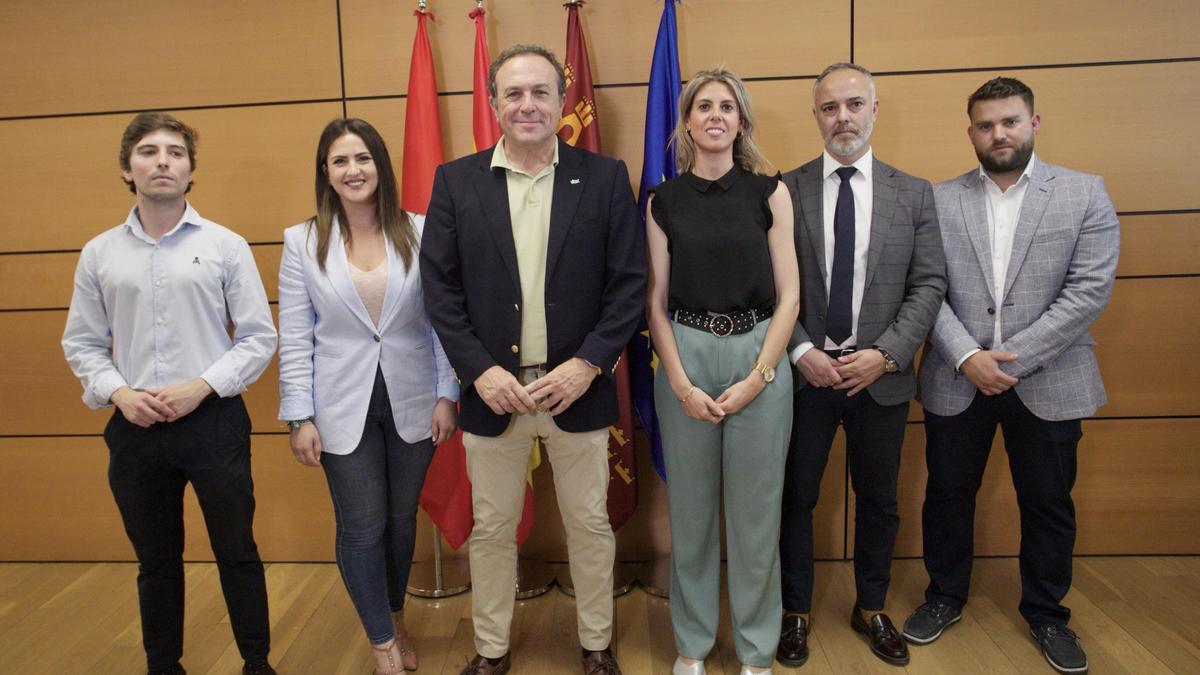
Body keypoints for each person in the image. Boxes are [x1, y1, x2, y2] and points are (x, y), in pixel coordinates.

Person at [420, 44, 646, 675]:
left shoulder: (603, 178)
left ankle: (596, 645)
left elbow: (628, 284)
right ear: (493, 103)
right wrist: (478, 370)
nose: (527, 105)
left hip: (579, 389)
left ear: (561, 102)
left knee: (590, 526)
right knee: (491, 531)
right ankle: (491, 652)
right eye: (513, 93)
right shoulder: (455, 181)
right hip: (493, 393)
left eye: (540, 92)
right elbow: (439, 288)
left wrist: (589, 364)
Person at [903, 77, 1119, 675]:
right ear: (970, 130)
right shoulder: (938, 200)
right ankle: (944, 595)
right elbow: (925, 288)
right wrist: (967, 356)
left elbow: (1088, 291)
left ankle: (1048, 613)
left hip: (1050, 380)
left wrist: (1011, 360)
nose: (998, 133)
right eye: (985, 124)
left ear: (1033, 123)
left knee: (1048, 502)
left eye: (1010, 121)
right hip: (956, 376)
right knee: (947, 496)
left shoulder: (1083, 192)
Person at [61, 112, 277, 675]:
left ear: (190, 169)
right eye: (149, 151)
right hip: (134, 428)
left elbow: (258, 337)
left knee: (237, 551)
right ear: (127, 169)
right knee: (156, 561)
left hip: (214, 422)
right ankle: (164, 665)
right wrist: (119, 394)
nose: (163, 161)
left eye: (176, 153)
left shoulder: (226, 245)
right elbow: (82, 343)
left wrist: (201, 387)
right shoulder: (99, 253)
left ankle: (257, 663)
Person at [776, 63, 946, 668]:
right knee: (795, 496)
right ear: (815, 115)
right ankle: (794, 611)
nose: (842, 117)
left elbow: (928, 285)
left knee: (879, 500)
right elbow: (768, 286)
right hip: (805, 378)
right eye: (829, 107)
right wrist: (801, 352)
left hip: (883, 378)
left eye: (853, 104)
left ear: (874, 109)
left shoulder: (915, 192)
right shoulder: (783, 189)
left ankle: (871, 605)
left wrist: (887, 353)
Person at [277, 117, 459, 675]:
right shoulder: (302, 241)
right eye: (340, 161)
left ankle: (395, 612)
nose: (353, 170)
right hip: (338, 405)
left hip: (413, 398)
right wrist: (298, 415)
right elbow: (296, 335)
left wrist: (448, 393)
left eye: (363, 158)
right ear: (325, 174)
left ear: (381, 167)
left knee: (401, 520)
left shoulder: (422, 230)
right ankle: (381, 641)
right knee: (361, 522)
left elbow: (442, 321)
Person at [645, 67, 799, 675]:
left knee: (757, 518)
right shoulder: (663, 200)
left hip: (758, 356)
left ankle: (758, 652)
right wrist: (680, 383)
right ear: (686, 121)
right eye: (703, 106)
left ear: (741, 122)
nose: (715, 116)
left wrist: (760, 376)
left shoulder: (770, 193)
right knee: (692, 516)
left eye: (727, 107)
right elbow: (654, 301)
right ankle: (692, 647)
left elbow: (790, 297)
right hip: (685, 353)